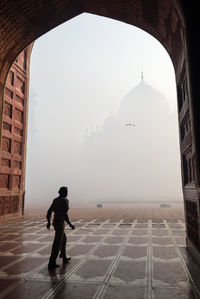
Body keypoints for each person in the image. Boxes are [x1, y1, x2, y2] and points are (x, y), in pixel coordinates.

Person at [46, 186, 75, 269]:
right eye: (66, 191)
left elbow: (49, 211)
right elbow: (65, 215)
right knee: (57, 243)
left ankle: (63, 256)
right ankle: (52, 261)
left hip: (55, 222)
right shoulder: (64, 201)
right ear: (62, 192)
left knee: (64, 239)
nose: (67, 193)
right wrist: (70, 224)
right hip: (60, 223)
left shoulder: (55, 200)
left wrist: (48, 222)